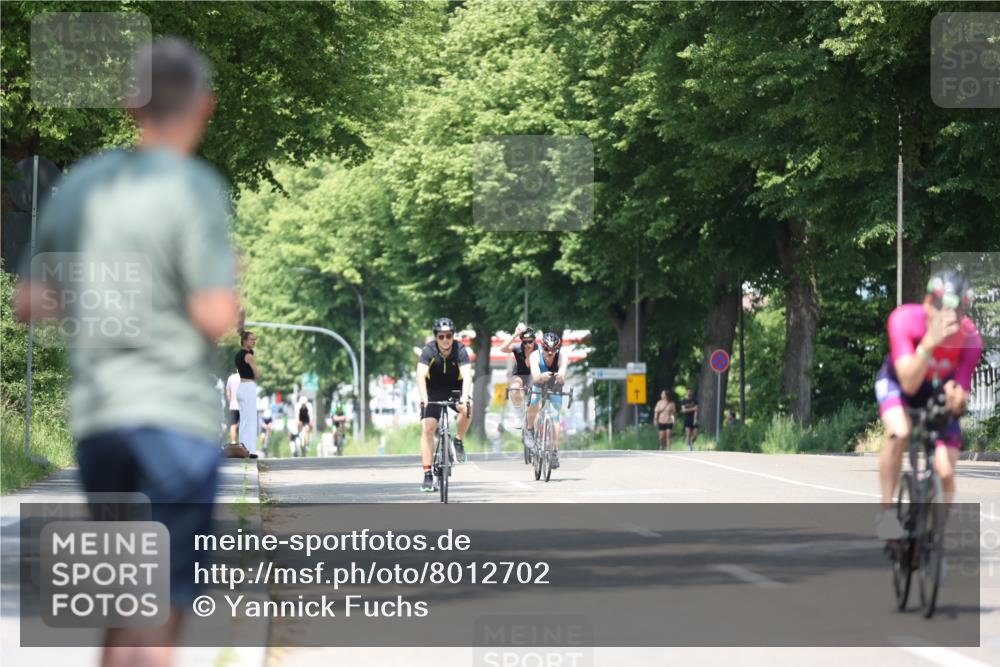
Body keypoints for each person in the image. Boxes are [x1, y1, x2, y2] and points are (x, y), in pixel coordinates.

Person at [14, 38, 239, 667]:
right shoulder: (194, 188)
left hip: (101, 424)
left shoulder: (83, 185)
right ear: (206, 106)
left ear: (129, 105)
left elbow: (28, 302)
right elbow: (212, 315)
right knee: (161, 611)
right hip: (174, 427)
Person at [874, 270, 982, 540]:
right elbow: (909, 383)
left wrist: (957, 398)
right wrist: (930, 342)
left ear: (963, 314)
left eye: (954, 311)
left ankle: (935, 541)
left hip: (936, 393)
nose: (944, 316)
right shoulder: (903, 320)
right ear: (925, 302)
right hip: (900, 383)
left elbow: (959, 394)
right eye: (937, 306)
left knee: (945, 472)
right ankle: (887, 514)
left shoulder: (970, 340)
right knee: (900, 432)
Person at [416, 317, 473, 491]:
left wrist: (464, 397)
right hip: (433, 390)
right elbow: (420, 375)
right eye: (441, 336)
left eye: (449, 336)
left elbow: (467, 375)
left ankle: (458, 441)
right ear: (436, 337)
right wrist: (424, 397)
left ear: (453, 336)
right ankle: (427, 475)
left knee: (468, 407)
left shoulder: (460, 349)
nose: (445, 340)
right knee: (428, 427)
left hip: (454, 389)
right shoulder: (428, 351)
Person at [528, 331, 569, 469]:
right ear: (542, 347)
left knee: (555, 416)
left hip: (555, 385)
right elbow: (535, 376)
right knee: (534, 402)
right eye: (546, 349)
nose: (550, 353)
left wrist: (560, 377)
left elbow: (563, 373)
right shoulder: (535, 355)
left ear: (557, 349)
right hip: (539, 383)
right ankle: (530, 429)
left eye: (553, 350)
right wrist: (541, 377)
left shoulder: (562, 356)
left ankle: (554, 453)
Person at [235, 330, 260, 459]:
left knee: (244, 420)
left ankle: (243, 449)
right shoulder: (249, 356)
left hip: (240, 387)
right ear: (244, 340)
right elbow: (257, 375)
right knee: (250, 421)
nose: (254, 341)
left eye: (255, 339)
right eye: (251, 339)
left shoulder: (238, 355)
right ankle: (250, 450)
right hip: (248, 387)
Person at [225, 371, 241, 443]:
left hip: (233, 406)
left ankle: (234, 443)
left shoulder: (231, 378)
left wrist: (231, 402)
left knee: (233, 425)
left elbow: (228, 393)